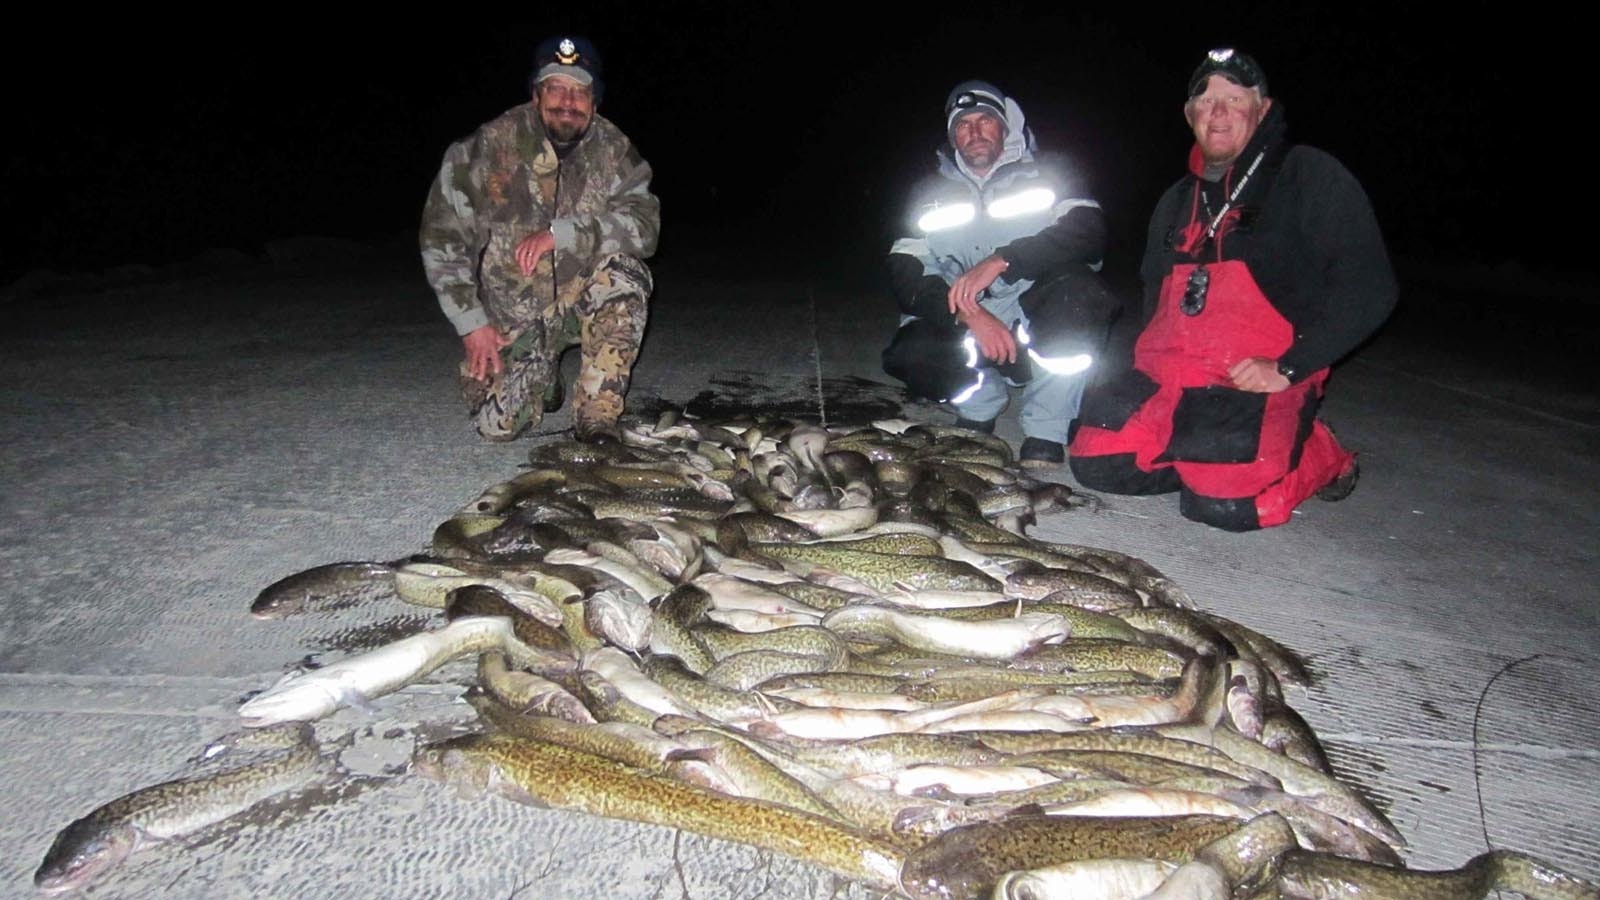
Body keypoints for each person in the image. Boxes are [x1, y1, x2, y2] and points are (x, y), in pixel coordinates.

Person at [1068, 49, 1397, 530]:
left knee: (1224, 506)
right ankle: (1206, 457)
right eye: (1205, 99)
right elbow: (1152, 299)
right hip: (1172, 380)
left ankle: (1317, 449)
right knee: (1095, 462)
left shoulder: (1307, 174)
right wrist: (1139, 381)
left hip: (1254, 381)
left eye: (1233, 97)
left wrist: (1290, 367)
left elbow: (1372, 289)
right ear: (1190, 116)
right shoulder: (1176, 199)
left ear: (1262, 110)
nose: (1217, 110)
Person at [420, 35, 660, 443]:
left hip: (582, 299)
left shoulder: (615, 150)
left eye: (579, 91)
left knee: (626, 273)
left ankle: (597, 414)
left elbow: (645, 227)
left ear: (594, 101)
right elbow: (444, 236)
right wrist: (471, 324)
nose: (567, 101)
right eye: (555, 87)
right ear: (536, 94)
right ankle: (542, 377)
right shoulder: (488, 146)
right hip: (515, 321)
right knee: (496, 427)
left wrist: (562, 235)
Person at [883, 80, 1119, 468]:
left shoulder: (1053, 173)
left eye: (984, 120)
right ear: (952, 137)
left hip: (1033, 315)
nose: (974, 132)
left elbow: (1088, 232)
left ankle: (1047, 426)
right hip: (965, 318)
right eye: (962, 125)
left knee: (1082, 297)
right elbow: (904, 268)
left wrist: (1002, 260)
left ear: (1005, 125)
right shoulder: (926, 192)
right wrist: (966, 312)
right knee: (911, 351)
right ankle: (979, 405)